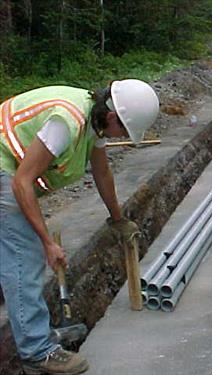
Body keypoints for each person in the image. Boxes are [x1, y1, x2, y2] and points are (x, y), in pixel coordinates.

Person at [0, 79, 159, 375]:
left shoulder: (94, 119)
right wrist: (47, 242)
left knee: (10, 244)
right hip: (5, 167)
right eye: (123, 130)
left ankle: (16, 301)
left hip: (11, 167)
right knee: (25, 255)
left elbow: (101, 171)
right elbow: (21, 182)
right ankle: (37, 351)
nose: (119, 137)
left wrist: (118, 218)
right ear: (113, 117)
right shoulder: (67, 121)